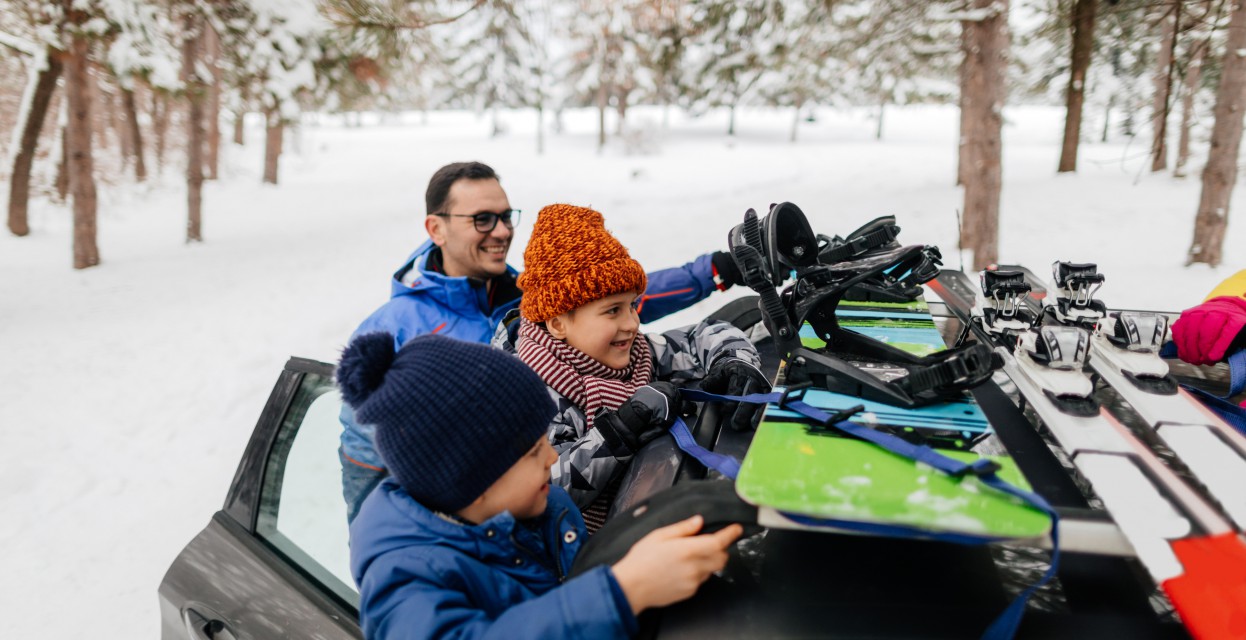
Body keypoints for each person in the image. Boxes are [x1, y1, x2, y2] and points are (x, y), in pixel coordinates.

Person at [339, 161, 746, 522]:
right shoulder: (395, 330)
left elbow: (615, 306)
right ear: (436, 227)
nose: (501, 231)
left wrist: (710, 271)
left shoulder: (525, 295)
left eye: (506, 216)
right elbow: (367, 456)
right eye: (483, 219)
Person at [339, 332, 744, 639]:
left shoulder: (539, 505)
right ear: (477, 476)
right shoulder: (404, 576)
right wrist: (624, 591)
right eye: (535, 451)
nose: (554, 459)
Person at [497, 203, 769, 531]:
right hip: (571, 557)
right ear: (557, 324)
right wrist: (621, 431)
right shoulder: (531, 391)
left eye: (633, 305)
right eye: (613, 311)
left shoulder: (638, 352)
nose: (632, 323)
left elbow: (704, 333)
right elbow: (544, 487)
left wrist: (736, 361)